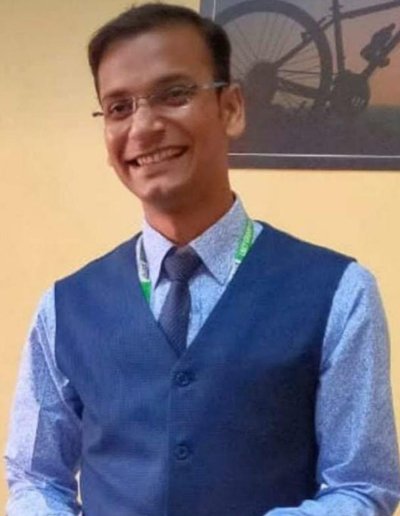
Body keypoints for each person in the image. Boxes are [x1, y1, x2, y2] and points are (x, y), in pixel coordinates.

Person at [5, 3, 400, 515]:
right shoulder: (64, 307)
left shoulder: (340, 293)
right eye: (119, 107)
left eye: (173, 94)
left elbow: (363, 486)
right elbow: (36, 478)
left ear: (230, 108)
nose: (144, 127)